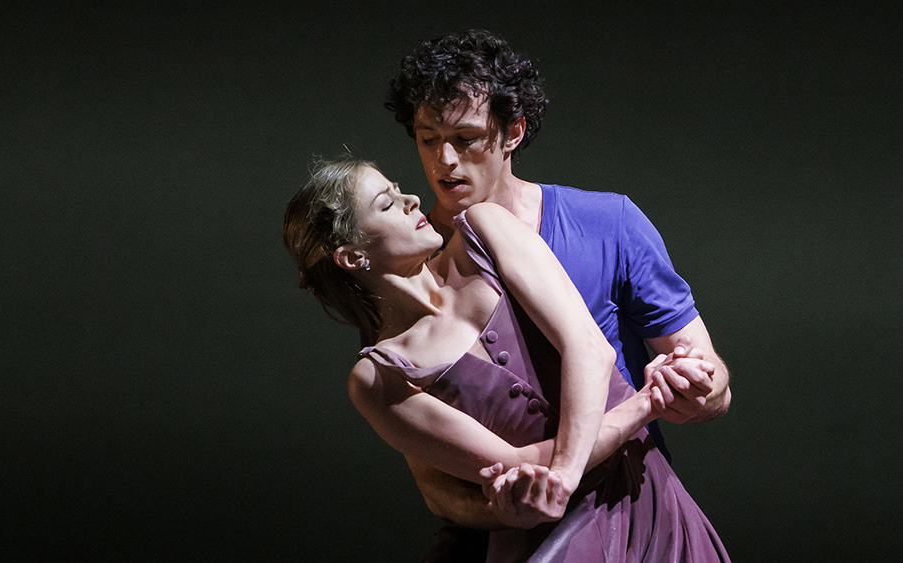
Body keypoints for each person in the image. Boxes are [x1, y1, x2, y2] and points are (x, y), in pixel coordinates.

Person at [384, 30, 732, 559]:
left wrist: (698, 387)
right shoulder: (410, 269)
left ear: (513, 131)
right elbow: (432, 479)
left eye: (466, 138)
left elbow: (712, 380)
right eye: (428, 138)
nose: (445, 161)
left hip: (624, 517)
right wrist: (510, 508)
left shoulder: (608, 223)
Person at [283, 157, 729, 561]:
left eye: (399, 188)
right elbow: (514, 466)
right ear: (352, 256)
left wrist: (563, 474)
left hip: (647, 496)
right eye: (386, 203)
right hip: (553, 539)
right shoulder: (378, 377)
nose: (411, 198)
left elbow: (589, 348)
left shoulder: (486, 228)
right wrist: (646, 404)